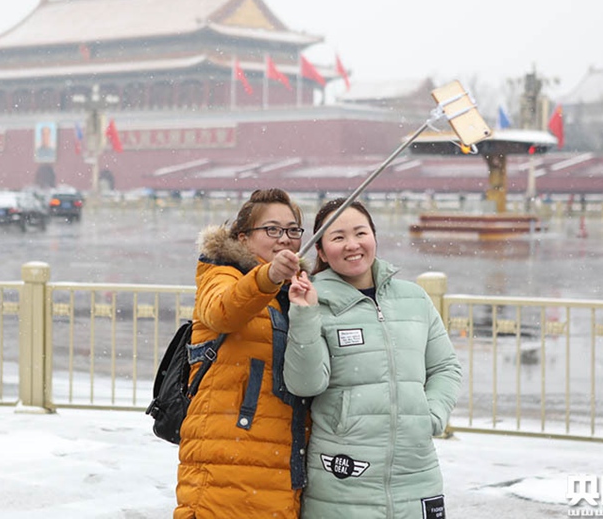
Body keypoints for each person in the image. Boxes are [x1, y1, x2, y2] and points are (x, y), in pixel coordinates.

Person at [284, 198, 462, 519]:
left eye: (360, 233)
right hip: (343, 476)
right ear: (321, 252)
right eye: (338, 237)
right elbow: (306, 383)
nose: (352, 245)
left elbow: (445, 367)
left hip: (416, 472)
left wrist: (430, 415)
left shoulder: (413, 298)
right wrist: (304, 314)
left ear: (374, 237)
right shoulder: (313, 299)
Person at [174, 188, 311, 519]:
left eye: (293, 230)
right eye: (272, 230)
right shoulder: (221, 274)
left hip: (280, 466)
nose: (285, 239)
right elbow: (224, 311)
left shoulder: (296, 289)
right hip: (226, 465)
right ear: (243, 237)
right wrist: (268, 276)